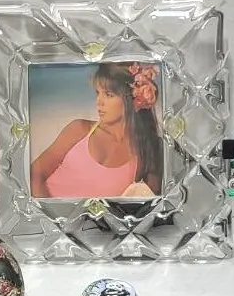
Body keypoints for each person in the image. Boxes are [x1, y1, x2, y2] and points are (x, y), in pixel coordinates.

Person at [30, 62, 163, 199]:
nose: (99, 102)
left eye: (108, 95)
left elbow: (149, 204)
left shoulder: (147, 153)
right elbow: (35, 174)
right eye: (98, 93)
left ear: (135, 99)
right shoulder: (79, 130)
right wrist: (47, 211)